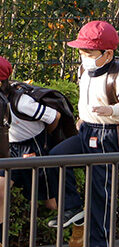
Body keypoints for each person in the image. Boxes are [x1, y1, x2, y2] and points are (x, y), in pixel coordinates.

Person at [49, 21, 119, 247]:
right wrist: (84, 119)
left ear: (107, 54)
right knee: (54, 159)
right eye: (81, 52)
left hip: (107, 135)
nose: (84, 58)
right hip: (87, 130)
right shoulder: (84, 70)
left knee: (100, 193)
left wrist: (111, 110)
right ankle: (72, 210)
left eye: (89, 53)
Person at [1, 56, 68, 228]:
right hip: (9, 147)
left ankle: (78, 221)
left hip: (33, 145)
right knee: (0, 191)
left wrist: (45, 140)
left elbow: (55, 116)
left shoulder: (22, 102)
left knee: (50, 202)